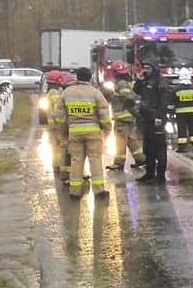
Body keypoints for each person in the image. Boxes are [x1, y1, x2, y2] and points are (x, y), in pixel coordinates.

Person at [59, 67, 112, 199]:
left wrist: (64, 132)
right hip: (93, 133)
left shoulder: (67, 93)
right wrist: (107, 129)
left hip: (74, 132)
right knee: (95, 160)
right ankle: (99, 191)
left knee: (76, 160)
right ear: (90, 78)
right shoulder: (95, 93)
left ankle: (75, 191)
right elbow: (104, 114)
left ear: (77, 77)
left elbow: (60, 116)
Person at [133, 56, 169, 184]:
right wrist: (139, 79)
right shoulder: (145, 81)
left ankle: (160, 175)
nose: (146, 70)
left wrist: (159, 117)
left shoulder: (161, 81)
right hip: (146, 119)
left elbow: (163, 101)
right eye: (145, 68)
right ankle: (149, 173)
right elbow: (136, 91)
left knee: (159, 147)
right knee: (148, 148)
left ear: (155, 68)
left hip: (157, 119)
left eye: (148, 68)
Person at [106, 62, 146, 170]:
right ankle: (140, 159)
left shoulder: (121, 84)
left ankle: (119, 163)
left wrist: (114, 96)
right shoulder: (128, 82)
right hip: (129, 116)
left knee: (120, 140)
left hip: (122, 117)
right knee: (131, 139)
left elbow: (129, 96)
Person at [171, 67, 193, 152]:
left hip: (180, 113)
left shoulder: (176, 89)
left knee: (182, 129)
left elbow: (172, 101)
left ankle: (182, 147)